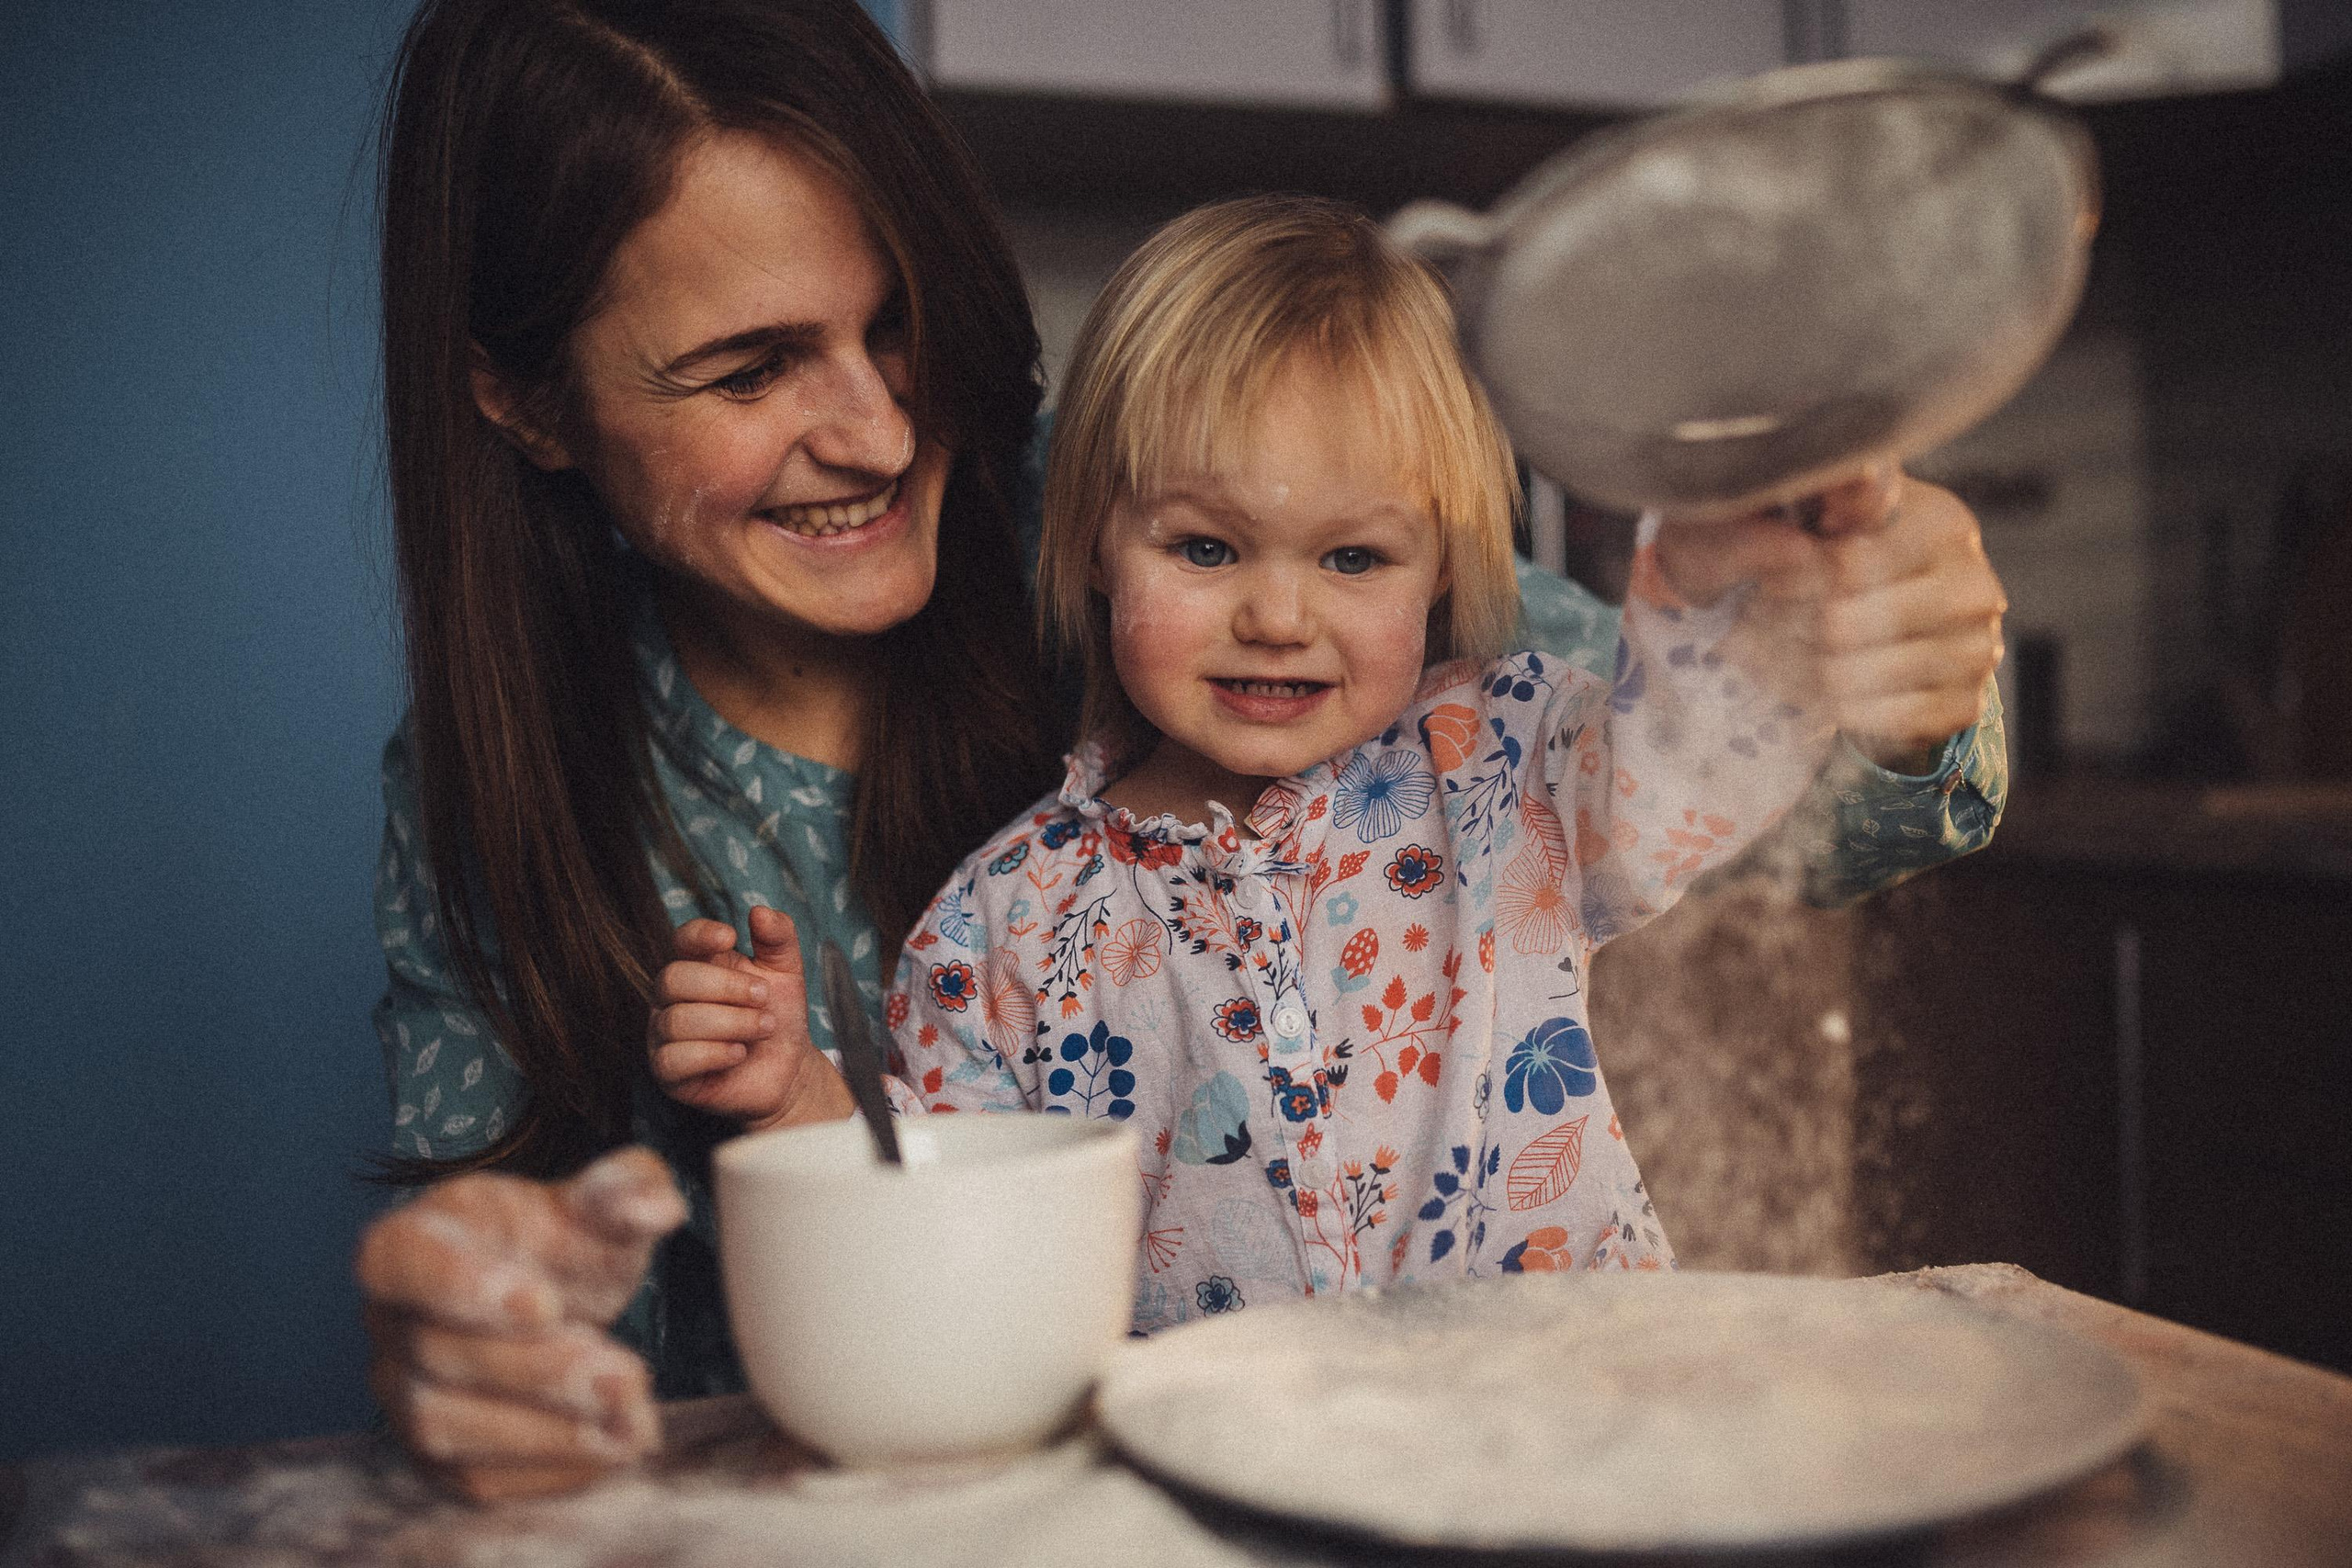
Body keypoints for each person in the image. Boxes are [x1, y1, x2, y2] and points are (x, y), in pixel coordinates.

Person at [356, 0, 2009, 1500]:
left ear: (1438, 571)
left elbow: (1702, 758)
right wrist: (718, 1150)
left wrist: (1793, 605)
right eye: (749, 367)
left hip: (1577, 1451)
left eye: (900, 321)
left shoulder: (1486, 751)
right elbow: (930, 1208)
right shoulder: (1001, 909)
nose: (875, 431)